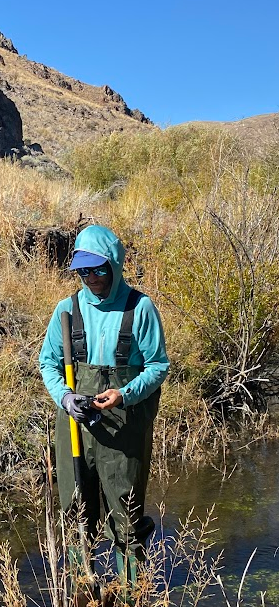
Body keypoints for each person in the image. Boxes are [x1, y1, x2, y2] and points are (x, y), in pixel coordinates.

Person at [40, 224, 169, 585]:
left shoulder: (140, 308)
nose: (92, 278)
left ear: (115, 264)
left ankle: (131, 597)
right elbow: (47, 363)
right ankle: (86, 591)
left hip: (123, 429)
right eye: (84, 270)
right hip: (74, 427)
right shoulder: (66, 311)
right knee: (77, 511)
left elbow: (158, 365)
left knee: (126, 514)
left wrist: (124, 394)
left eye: (99, 269)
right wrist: (66, 397)